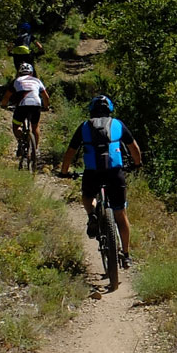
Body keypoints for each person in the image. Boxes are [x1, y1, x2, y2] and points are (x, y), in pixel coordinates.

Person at [59, 95, 142, 266]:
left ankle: (92, 216)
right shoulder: (118, 124)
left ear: (91, 110)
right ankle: (126, 255)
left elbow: (70, 151)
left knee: (88, 197)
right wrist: (137, 164)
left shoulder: (84, 127)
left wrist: (64, 172)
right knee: (120, 213)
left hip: (92, 173)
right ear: (110, 109)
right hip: (115, 173)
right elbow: (134, 148)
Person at [0, 62, 51, 157]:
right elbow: (46, 97)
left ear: (19, 73)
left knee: (16, 126)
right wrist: (46, 107)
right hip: (36, 104)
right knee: (35, 127)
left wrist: (3, 105)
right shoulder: (37, 81)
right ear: (31, 73)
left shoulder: (16, 81)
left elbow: (6, 96)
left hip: (22, 106)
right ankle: (36, 149)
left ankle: (21, 141)